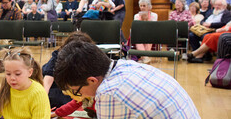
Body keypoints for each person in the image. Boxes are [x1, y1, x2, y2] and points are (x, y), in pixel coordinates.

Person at [53, 40, 200, 119]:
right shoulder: (125, 64)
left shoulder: (108, 94)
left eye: (77, 91)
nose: (81, 97)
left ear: (92, 80)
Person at [0, 47, 51, 119]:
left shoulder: (38, 93)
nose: (12, 78)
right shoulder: (7, 88)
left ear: (30, 72)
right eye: (8, 74)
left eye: (17, 74)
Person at [133, 0, 158, 64]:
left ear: (149, 7)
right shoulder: (136, 16)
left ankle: (143, 57)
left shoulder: (154, 15)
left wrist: (146, 19)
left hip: (150, 33)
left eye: (144, 6)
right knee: (137, 38)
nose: (142, 7)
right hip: (140, 34)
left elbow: (154, 27)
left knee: (149, 37)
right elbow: (136, 27)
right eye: (141, 6)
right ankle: (145, 57)